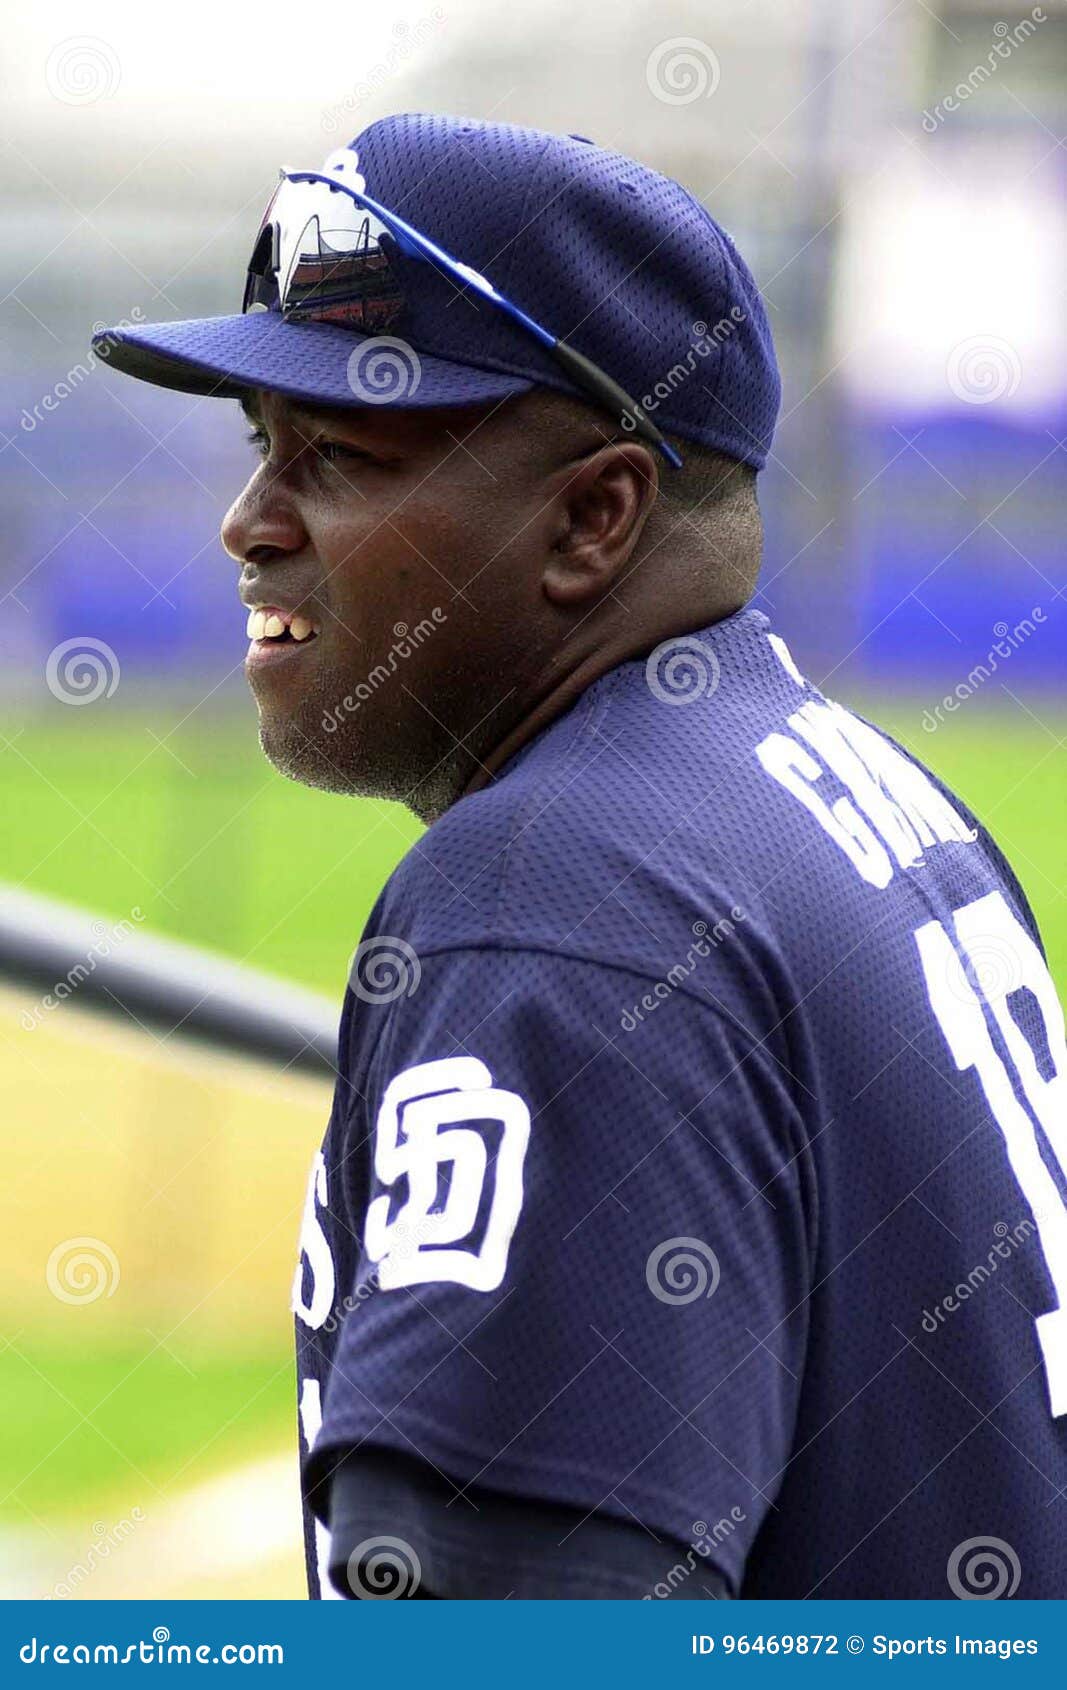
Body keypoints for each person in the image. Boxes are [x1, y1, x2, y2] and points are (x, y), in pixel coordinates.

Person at [94, 112, 1067, 1601]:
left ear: (593, 518)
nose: (249, 522)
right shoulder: (868, 790)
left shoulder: (553, 904)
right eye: (258, 445)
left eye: (339, 455)